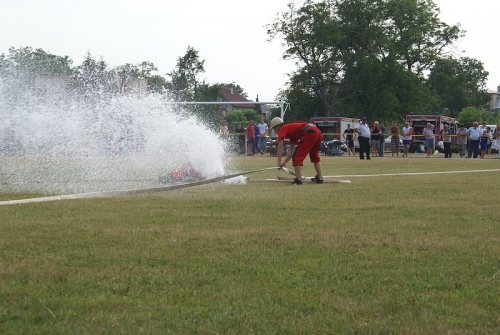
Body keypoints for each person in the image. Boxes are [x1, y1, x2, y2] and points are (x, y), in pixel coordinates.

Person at [270, 117, 323, 185]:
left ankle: (298, 180)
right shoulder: (291, 132)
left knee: (297, 156)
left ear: (277, 126)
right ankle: (319, 178)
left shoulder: (282, 128)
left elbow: (280, 146)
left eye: (274, 129)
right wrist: (284, 162)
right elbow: (291, 150)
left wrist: (279, 162)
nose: (275, 132)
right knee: (314, 156)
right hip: (317, 131)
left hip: (309, 132)